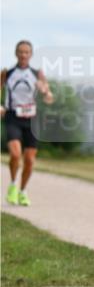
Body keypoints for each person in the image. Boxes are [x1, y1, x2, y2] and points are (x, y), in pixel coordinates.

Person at [2, 40, 54, 206]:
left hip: (32, 119)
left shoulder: (37, 74)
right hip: (13, 117)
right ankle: (13, 185)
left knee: (30, 160)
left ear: (31, 54)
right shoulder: (7, 73)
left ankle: (23, 191)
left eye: (26, 52)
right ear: (16, 53)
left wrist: (45, 91)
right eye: (21, 51)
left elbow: (49, 97)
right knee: (15, 154)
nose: (23, 55)